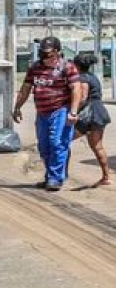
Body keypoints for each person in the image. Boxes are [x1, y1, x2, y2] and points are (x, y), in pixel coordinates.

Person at [13, 36, 80, 190]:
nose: (44, 58)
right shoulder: (35, 67)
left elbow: (76, 89)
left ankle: (55, 178)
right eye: (42, 55)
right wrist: (17, 107)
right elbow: (25, 88)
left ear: (57, 52)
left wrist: (74, 112)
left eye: (48, 55)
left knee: (57, 143)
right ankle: (50, 176)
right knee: (44, 147)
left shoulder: (67, 67)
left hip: (61, 110)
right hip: (42, 113)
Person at [72, 52, 112, 187]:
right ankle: (106, 176)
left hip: (88, 114)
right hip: (99, 112)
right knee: (97, 146)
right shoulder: (93, 77)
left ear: (76, 65)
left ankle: (61, 174)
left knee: (63, 140)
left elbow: (82, 98)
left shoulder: (82, 78)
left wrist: (73, 111)